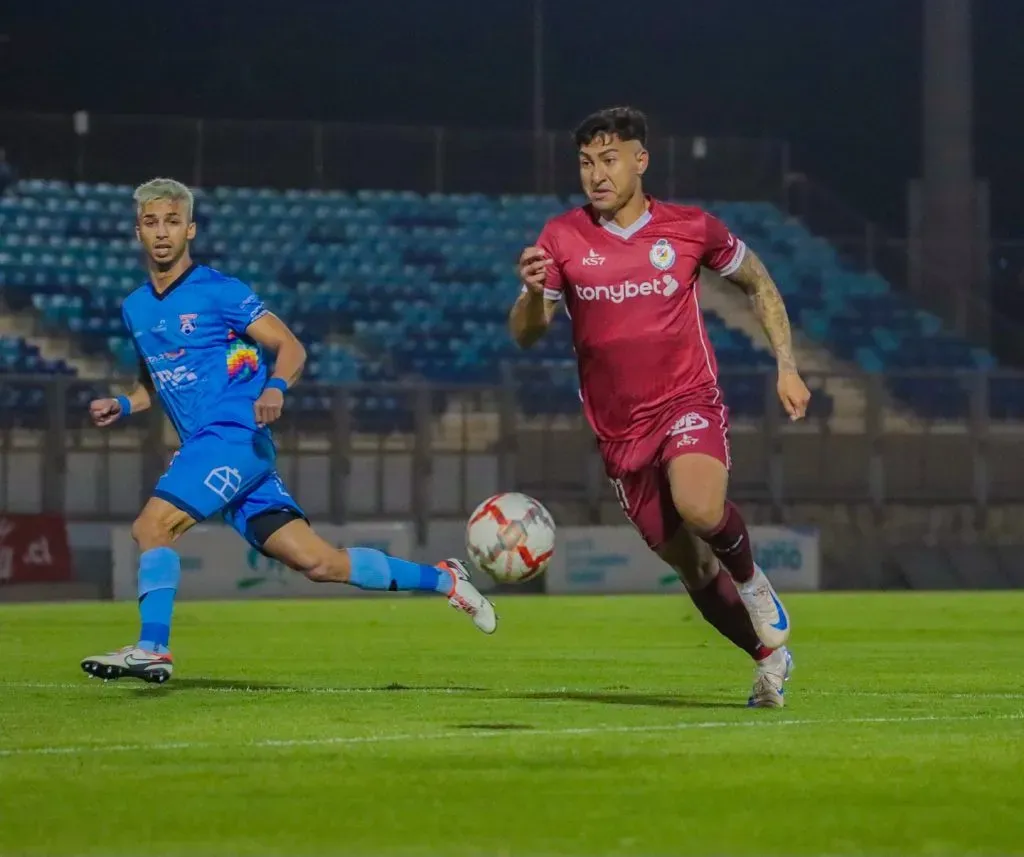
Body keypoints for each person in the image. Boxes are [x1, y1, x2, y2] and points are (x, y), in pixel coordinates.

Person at [81, 178, 496, 684]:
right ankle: (446, 579)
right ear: (137, 233)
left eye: (172, 221)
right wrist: (126, 403)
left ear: (190, 229)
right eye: (151, 223)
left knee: (152, 527)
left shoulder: (221, 291)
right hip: (221, 452)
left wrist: (275, 387)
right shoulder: (136, 308)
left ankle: (152, 647)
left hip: (233, 437)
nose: (162, 233)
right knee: (318, 562)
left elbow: (291, 346)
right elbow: (161, 377)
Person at [509, 107, 810, 708]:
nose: (597, 174)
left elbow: (758, 281)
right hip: (620, 435)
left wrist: (787, 364)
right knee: (694, 571)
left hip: (686, 400)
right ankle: (769, 659)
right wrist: (534, 293)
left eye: (610, 159)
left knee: (700, 506)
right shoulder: (560, 237)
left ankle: (754, 583)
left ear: (640, 161)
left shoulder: (690, 228)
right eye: (587, 162)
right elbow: (526, 332)